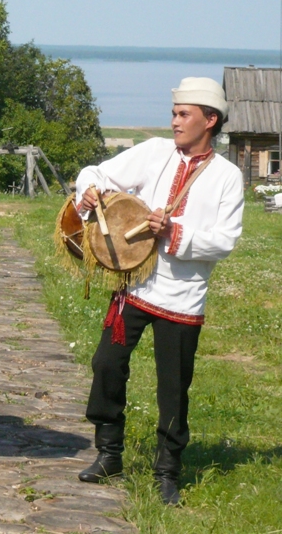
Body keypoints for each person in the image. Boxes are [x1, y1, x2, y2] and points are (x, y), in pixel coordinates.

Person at [74, 77, 243, 505]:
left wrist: (174, 231)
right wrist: (89, 190)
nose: (174, 122)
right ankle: (109, 453)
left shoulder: (228, 176)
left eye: (183, 114)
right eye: (173, 113)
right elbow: (96, 171)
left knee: (173, 386)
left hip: (184, 296)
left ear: (211, 120)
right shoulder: (153, 153)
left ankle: (167, 471)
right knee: (106, 364)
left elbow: (224, 240)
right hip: (134, 286)